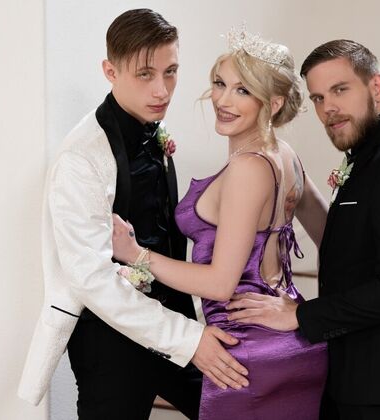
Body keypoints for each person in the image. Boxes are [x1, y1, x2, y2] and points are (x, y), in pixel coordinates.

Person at [17, 9, 248, 419]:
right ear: (110, 71)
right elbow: (91, 280)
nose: (162, 90)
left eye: (171, 72)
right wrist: (189, 339)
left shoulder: (151, 127)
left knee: (243, 407)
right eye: (145, 74)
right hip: (110, 341)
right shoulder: (81, 158)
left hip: (175, 320)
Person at [111, 27, 329, 420]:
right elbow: (337, 240)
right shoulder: (285, 155)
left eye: (243, 90)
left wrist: (137, 255)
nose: (223, 100)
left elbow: (219, 284)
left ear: (274, 102)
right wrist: (302, 310)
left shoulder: (248, 168)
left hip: (247, 352)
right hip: (291, 343)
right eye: (219, 83)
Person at [226, 40, 380, 420]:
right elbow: (352, 244)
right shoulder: (367, 156)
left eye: (340, 90)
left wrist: (300, 315)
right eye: (318, 97)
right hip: (353, 366)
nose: (328, 107)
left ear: (376, 87)